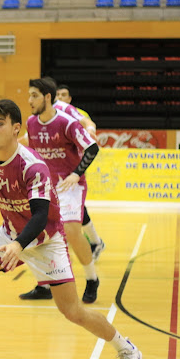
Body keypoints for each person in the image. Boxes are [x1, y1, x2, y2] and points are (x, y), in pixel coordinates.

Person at [0, 99, 142, 359]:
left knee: (72, 311)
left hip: (45, 242)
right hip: (10, 234)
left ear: (15, 128)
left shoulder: (33, 166)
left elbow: (41, 215)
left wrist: (20, 244)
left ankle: (127, 349)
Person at [19, 78, 101, 302]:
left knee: (72, 231)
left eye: (34, 95)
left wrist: (76, 173)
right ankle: (44, 285)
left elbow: (92, 148)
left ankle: (92, 279)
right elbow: (34, 154)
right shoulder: (31, 123)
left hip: (70, 185)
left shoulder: (66, 121)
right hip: (46, 187)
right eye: (29, 95)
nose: (29, 100)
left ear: (47, 97)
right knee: (36, 234)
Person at [56, 83, 105, 262]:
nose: (61, 98)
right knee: (74, 209)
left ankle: (92, 243)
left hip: (75, 166)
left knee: (76, 208)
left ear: (69, 99)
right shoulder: (51, 115)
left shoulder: (78, 114)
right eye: (58, 95)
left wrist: (91, 131)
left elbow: (89, 126)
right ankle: (94, 241)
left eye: (64, 95)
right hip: (57, 168)